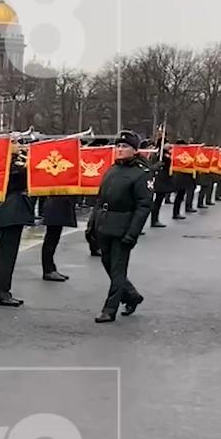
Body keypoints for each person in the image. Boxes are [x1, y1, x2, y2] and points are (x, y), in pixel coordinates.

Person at [92, 131, 153, 323]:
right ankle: (132, 295)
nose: (119, 149)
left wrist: (132, 233)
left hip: (123, 227)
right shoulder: (112, 170)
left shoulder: (141, 173)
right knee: (107, 264)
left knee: (118, 270)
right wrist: (92, 224)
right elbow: (100, 199)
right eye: (118, 146)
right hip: (104, 225)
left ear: (135, 151)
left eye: (124, 146)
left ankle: (110, 309)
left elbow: (143, 206)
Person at [0, 143, 32, 307]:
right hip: (9, 210)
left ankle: (3, 291)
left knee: (9, 254)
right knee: (6, 255)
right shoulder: (6, 163)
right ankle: (1, 293)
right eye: (15, 143)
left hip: (12, 210)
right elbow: (23, 174)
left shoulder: (13, 161)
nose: (19, 146)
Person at [40, 195, 76, 281]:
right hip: (55, 205)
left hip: (57, 204)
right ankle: (48, 270)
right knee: (51, 239)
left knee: (53, 238)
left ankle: (51, 268)